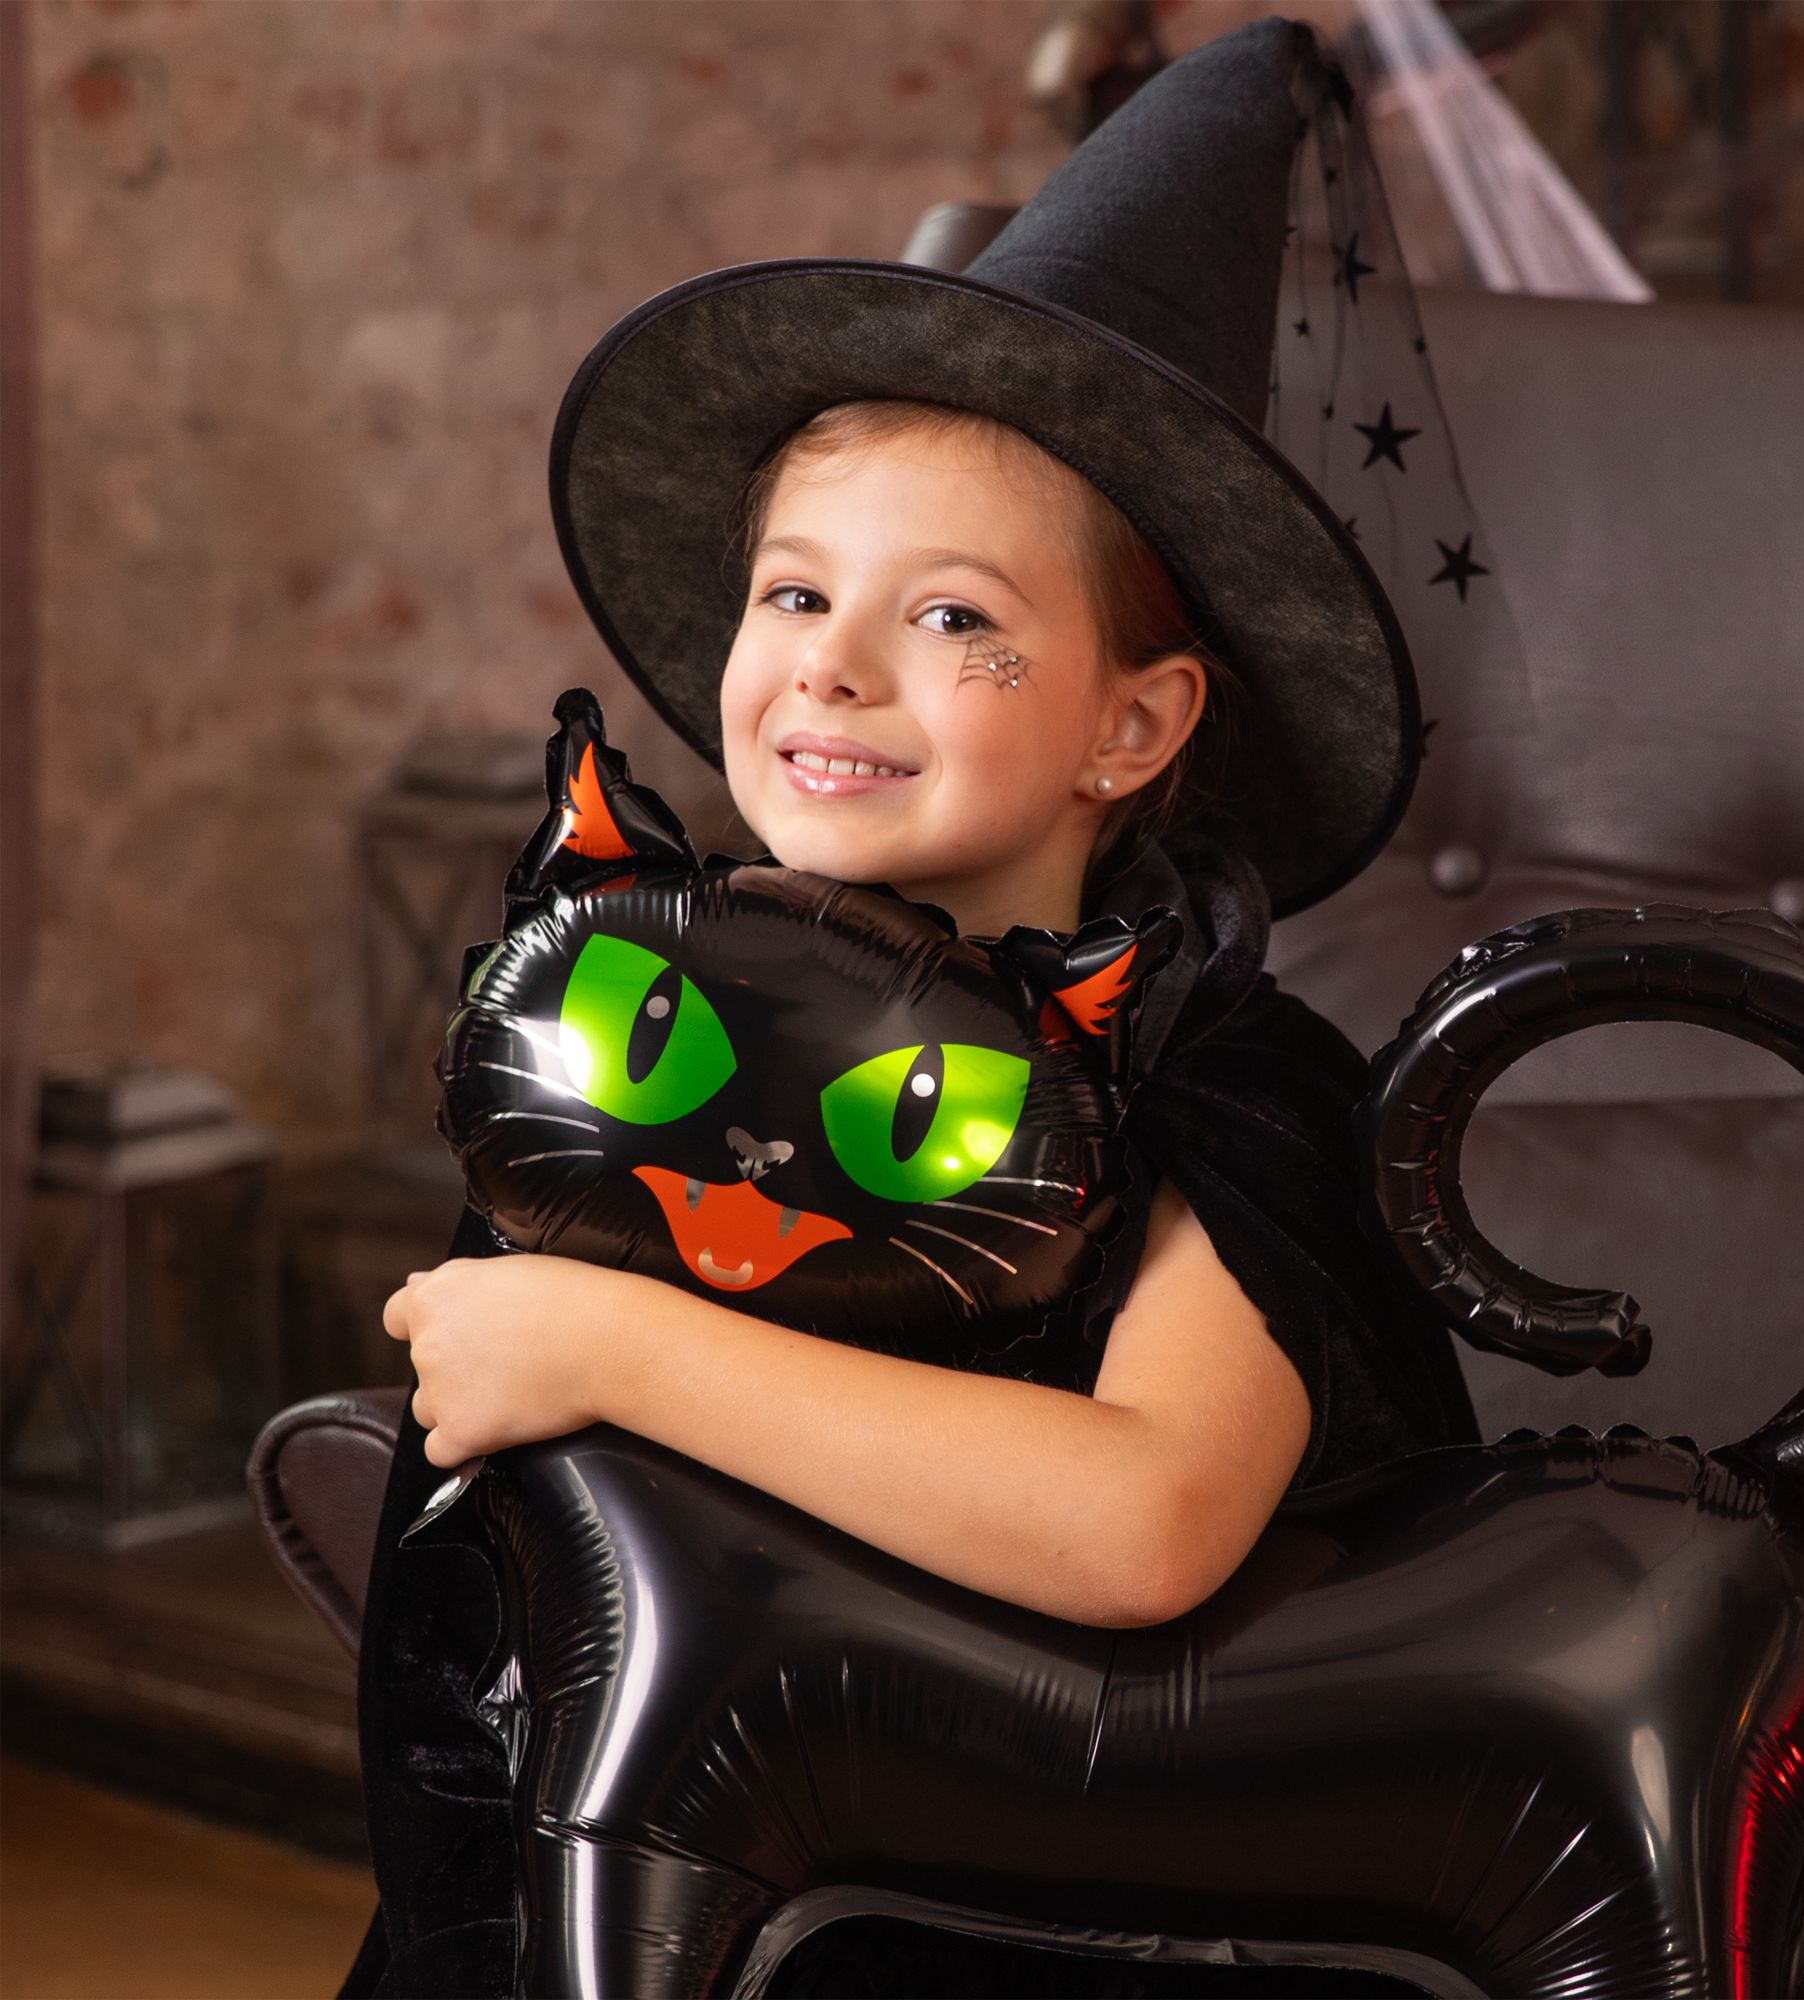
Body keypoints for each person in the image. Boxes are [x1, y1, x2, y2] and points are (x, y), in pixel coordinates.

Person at [341, 17, 1480, 1997]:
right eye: (795, 594)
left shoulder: (1218, 1081)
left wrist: (614, 1342)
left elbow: (1142, 1520)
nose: (835, 666)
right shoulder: (639, 1006)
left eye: (955, 615)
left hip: (1004, 1928)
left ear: (1134, 723)